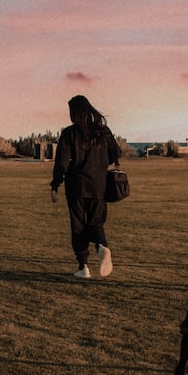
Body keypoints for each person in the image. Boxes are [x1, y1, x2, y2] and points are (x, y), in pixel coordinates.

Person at [49, 94, 121, 279]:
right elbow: (116, 154)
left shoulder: (69, 133)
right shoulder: (103, 131)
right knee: (96, 222)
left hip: (76, 187)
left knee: (78, 226)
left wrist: (56, 184)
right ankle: (102, 246)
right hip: (100, 185)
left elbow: (62, 162)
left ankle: (84, 267)